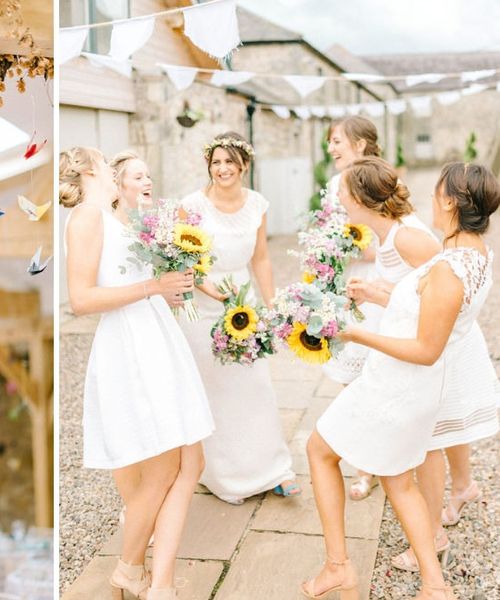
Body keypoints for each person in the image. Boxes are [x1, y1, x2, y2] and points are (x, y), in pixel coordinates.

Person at [302, 160, 499, 600]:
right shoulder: (473, 256)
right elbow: (426, 310)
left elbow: (427, 349)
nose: (429, 198)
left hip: (398, 386)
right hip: (402, 385)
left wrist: (354, 332)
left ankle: (339, 566)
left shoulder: (449, 268)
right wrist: (377, 294)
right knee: (397, 479)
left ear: (450, 201)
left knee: (318, 450)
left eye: (436, 192)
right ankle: (434, 585)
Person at [60, 147, 214, 600]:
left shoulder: (114, 218)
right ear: (91, 170)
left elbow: (121, 282)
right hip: (131, 346)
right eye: (106, 163)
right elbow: (81, 299)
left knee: (190, 461)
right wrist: (153, 287)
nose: (111, 168)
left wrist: (164, 292)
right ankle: (131, 569)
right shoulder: (86, 217)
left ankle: (153, 577)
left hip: (154, 334)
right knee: (166, 465)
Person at [179, 132, 299, 504]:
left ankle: (273, 469)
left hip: (243, 306)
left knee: (255, 386)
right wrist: (207, 287)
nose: (222, 168)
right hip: (204, 307)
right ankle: (220, 474)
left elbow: (260, 258)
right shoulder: (192, 206)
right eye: (216, 162)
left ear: (243, 165)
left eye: (229, 161)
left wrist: (272, 305)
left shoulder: (258, 204)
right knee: (214, 391)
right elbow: (183, 260)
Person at [325, 122, 441, 501]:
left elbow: (442, 289)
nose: (339, 201)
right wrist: (375, 292)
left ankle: (429, 513)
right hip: (395, 322)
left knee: (429, 434)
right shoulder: (388, 230)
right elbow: (409, 291)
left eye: (343, 195)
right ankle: (381, 468)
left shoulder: (406, 236)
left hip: (422, 345)